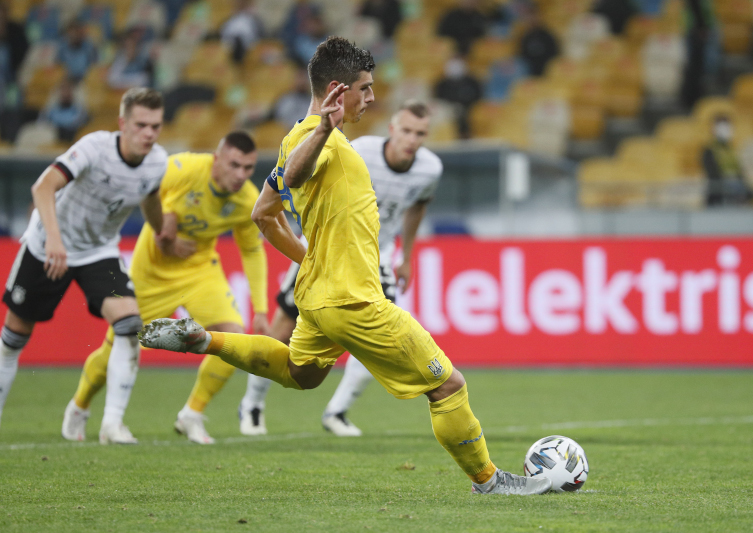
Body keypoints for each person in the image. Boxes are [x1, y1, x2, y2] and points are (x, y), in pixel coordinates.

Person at [140, 36, 551, 495]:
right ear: (339, 89)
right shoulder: (317, 138)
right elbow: (291, 179)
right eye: (366, 88)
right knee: (448, 385)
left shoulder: (304, 139)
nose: (372, 98)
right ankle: (491, 482)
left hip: (318, 297)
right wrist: (322, 130)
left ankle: (205, 339)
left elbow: (263, 212)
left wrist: (311, 259)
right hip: (354, 299)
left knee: (301, 374)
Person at [239, 100, 443, 437]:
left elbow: (418, 207)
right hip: (324, 251)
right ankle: (252, 403)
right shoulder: (359, 150)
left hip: (374, 260)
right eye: (405, 130)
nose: (411, 139)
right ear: (391, 130)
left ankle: (337, 411)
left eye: (419, 133)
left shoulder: (430, 169)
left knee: (380, 338)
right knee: (283, 329)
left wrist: (405, 255)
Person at [62, 132, 269, 445]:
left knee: (234, 340)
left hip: (199, 272)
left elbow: (253, 251)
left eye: (248, 168)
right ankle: (79, 406)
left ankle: (192, 415)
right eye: (234, 165)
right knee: (116, 350)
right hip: (152, 274)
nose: (241, 175)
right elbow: (146, 189)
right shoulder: (183, 167)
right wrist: (164, 227)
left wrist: (262, 308)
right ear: (217, 159)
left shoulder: (246, 200)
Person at [1, 88, 167, 442]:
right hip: (48, 246)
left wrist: (162, 231)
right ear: (123, 123)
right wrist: (55, 239)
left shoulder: (158, 162)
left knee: (129, 324)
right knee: (13, 338)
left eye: (155, 126)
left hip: (97, 252)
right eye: (141, 125)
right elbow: (43, 187)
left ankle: (112, 424)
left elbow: (150, 197)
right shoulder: (94, 147)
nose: (149, 134)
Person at [702, 114, 753, 206]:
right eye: (722, 127)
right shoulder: (709, 150)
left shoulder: (732, 150)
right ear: (713, 129)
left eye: (728, 127)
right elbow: (713, 175)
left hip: (736, 194)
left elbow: (739, 172)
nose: (727, 131)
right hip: (719, 195)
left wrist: (747, 190)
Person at [39, 78, 89, 142]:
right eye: (63, 89)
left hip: (73, 137)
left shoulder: (80, 109)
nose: (65, 92)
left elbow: (76, 122)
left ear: (73, 91)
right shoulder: (51, 109)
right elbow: (42, 123)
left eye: (68, 89)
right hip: (54, 137)